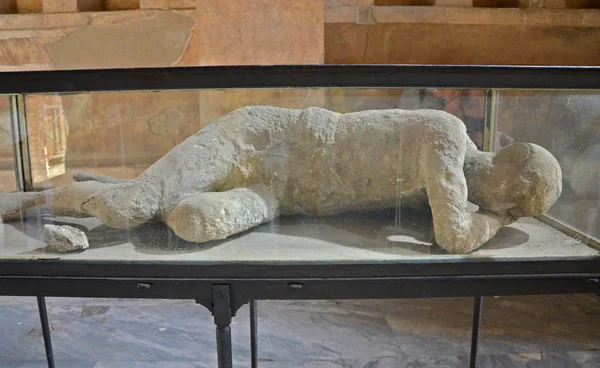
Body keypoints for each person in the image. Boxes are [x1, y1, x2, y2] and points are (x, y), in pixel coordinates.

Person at [0, 106, 562, 254]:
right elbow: (455, 236)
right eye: (517, 205)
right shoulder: (445, 133)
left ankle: (134, 186)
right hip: (261, 139)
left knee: (194, 222)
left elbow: (447, 224)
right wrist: (498, 222)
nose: (507, 210)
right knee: (131, 209)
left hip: (279, 197)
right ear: (509, 186)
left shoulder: (442, 183)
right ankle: (36, 199)